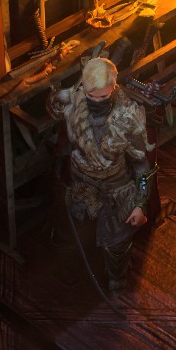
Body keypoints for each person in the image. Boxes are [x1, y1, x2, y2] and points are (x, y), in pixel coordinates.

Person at [59, 56, 152, 294]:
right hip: (82, 189)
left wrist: (140, 204)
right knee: (75, 240)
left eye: (103, 96)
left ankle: (117, 280)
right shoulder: (73, 108)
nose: (96, 101)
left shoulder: (127, 117)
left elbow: (142, 167)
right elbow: (66, 147)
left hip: (116, 192)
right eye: (91, 96)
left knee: (117, 247)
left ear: (113, 87)